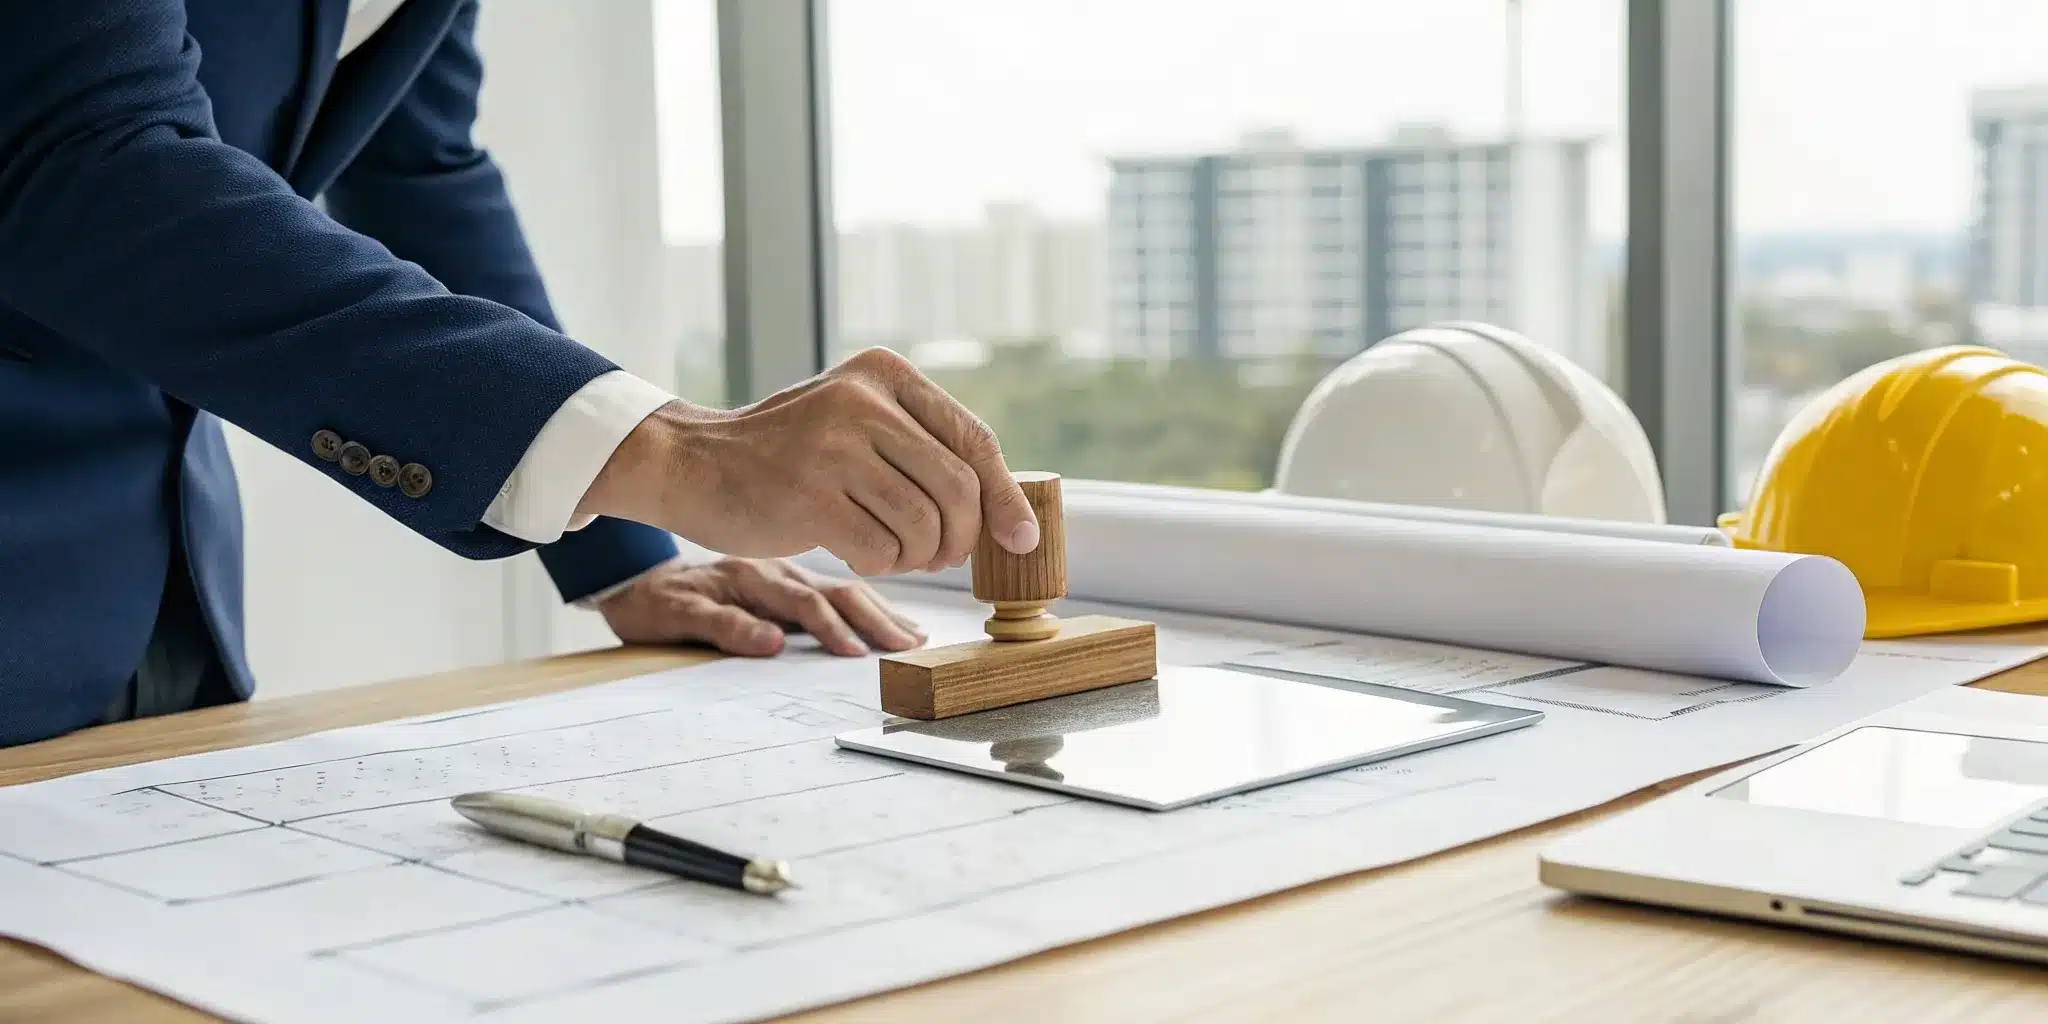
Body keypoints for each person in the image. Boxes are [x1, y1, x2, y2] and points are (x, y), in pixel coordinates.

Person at [0, 2, 1040, 748]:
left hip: (159, 587)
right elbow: (91, 157)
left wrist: (626, 550)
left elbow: (416, 162)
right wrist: (669, 453)